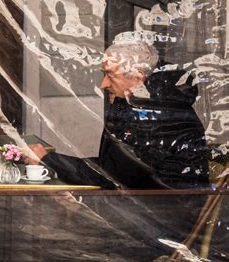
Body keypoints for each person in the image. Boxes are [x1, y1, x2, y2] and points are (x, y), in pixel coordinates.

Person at [26, 41, 208, 189]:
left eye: (110, 75)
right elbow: (113, 166)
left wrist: (49, 159)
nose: (104, 84)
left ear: (138, 77)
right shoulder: (145, 103)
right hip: (150, 206)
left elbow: (112, 176)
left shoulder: (152, 115)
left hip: (161, 214)